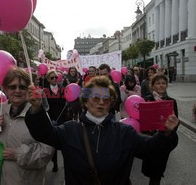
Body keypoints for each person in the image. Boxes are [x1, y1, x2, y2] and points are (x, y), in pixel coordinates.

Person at [26, 75, 179, 185]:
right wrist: (36, 108)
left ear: (111, 103)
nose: (100, 102)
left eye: (105, 99)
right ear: (85, 101)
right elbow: (44, 133)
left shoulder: (124, 132)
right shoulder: (70, 130)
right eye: (95, 98)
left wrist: (166, 133)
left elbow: (151, 148)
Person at [0, 67, 54, 184]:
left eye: (22, 87)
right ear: (5, 89)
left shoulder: (37, 113)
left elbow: (48, 149)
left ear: (28, 89)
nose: (17, 91)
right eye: (12, 87)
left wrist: (18, 154)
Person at [141, 73, 179, 185]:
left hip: (165, 139)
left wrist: (171, 129)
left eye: (163, 83)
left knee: (158, 170)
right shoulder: (147, 100)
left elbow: (176, 122)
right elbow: (142, 122)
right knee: (150, 166)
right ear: (152, 86)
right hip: (150, 139)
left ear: (166, 85)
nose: (161, 85)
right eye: (158, 83)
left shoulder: (172, 101)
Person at [44, 69, 67, 172]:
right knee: (53, 142)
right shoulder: (45, 91)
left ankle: (67, 161)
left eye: (56, 77)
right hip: (51, 119)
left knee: (64, 141)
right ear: (48, 79)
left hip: (62, 118)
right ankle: (55, 163)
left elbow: (66, 102)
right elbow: (44, 106)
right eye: (52, 77)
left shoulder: (63, 89)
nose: (54, 79)